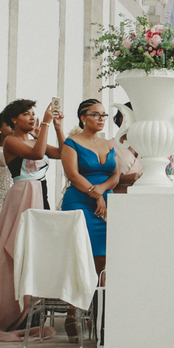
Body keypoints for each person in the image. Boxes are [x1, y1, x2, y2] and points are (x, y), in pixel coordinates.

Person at [0, 98, 63, 342]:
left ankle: (30, 309)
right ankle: (7, 311)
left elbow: (62, 153)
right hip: (22, 193)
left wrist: (57, 126)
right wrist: (46, 123)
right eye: (26, 114)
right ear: (14, 119)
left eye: (34, 114)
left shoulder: (32, 138)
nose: (33, 117)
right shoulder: (11, 140)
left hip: (38, 193)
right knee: (15, 249)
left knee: (34, 251)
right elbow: (37, 153)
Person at [60, 99, 120, 284]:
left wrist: (101, 191)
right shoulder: (71, 143)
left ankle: (100, 308)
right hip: (79, 202)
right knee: (80, 256)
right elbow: (73, 174)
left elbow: (116, 176)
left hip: (107, 203)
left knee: (104, 257)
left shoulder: (108, 143)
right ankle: (74, 310)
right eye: (96, 114)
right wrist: (97, 195)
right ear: (83, 118)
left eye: (103, 115)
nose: (101, 118)